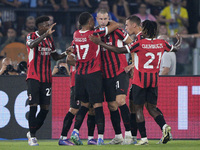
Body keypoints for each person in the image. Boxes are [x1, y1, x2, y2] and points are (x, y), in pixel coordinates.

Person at [89, 20, 182, 145]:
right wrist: (179, 39)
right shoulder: (162, 43)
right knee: (152, 107)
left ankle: (143, 138)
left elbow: (119, 50)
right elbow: (176, 48)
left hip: (139, 81)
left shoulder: (139, 43)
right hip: (153, 81)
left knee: (138, 109)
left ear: (145, 30)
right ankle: (164, 126)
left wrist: (100, 43)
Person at [66, 12, 119, 145]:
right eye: (93, 21)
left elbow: (72, 51)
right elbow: (114, 25)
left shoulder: (76, 34)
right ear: (90, 22)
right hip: (93, 74)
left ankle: (75, 131)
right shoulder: (95, 34)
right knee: (97, 105)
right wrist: (105, 23)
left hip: (79, 75)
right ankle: (100, 137)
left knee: (84, 105)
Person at [26, 15, 69, 146]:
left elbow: (55, 57)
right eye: (46, 24)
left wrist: (66, 52)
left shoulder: (50, 39)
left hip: (46, 77)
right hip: (33, 76)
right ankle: (33, 137)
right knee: (33, 106)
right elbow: (32, 45)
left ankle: (31, 131)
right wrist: (45, 35)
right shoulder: (31, 36)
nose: (48, 26)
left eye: (48, 24)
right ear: (39, 26)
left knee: (45, 109)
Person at [95, 9, 133, 145]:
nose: (103, 21)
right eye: (101, 19)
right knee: (112, 106)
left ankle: (129, 135)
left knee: (120, 101)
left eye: (105, 19)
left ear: (109, 19)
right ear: (97, 19)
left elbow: (132, 45)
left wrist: (132, 64)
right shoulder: (96, 34)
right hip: (105, 75)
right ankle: (118, 136)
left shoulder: (117, 31)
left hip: (120, 72)